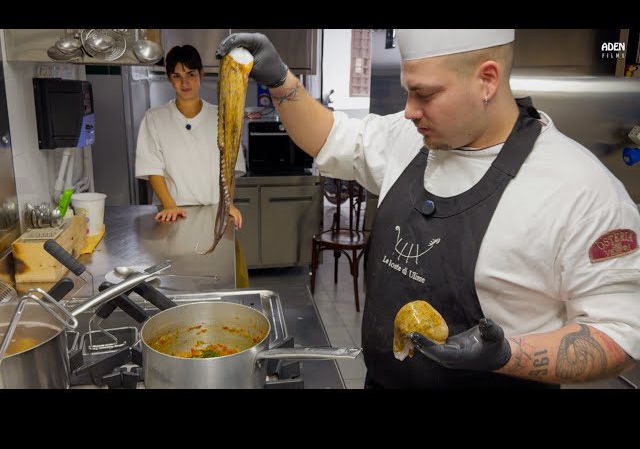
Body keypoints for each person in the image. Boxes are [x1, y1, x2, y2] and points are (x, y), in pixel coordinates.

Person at [216, 30, 640, 389]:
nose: (409, 110)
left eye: (425, 94)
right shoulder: (410, 137)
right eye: (408, 92)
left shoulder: (580, 190)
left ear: (487, 80)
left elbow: (621, 333)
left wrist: (507, 355)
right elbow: (329, 136)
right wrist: (282, 81)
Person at [135, 44, 249, 288]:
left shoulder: (221, 117)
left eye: (190, 75)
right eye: (177, 76)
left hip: (215, 216)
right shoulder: (155, 118)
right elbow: (152, 167)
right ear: (169, 79)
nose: (184, 83)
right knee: (178, 285)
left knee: (222, 284)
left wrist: (228, 205)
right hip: (176, 219)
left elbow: (229, 168)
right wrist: (170, 205)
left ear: (201, 75)